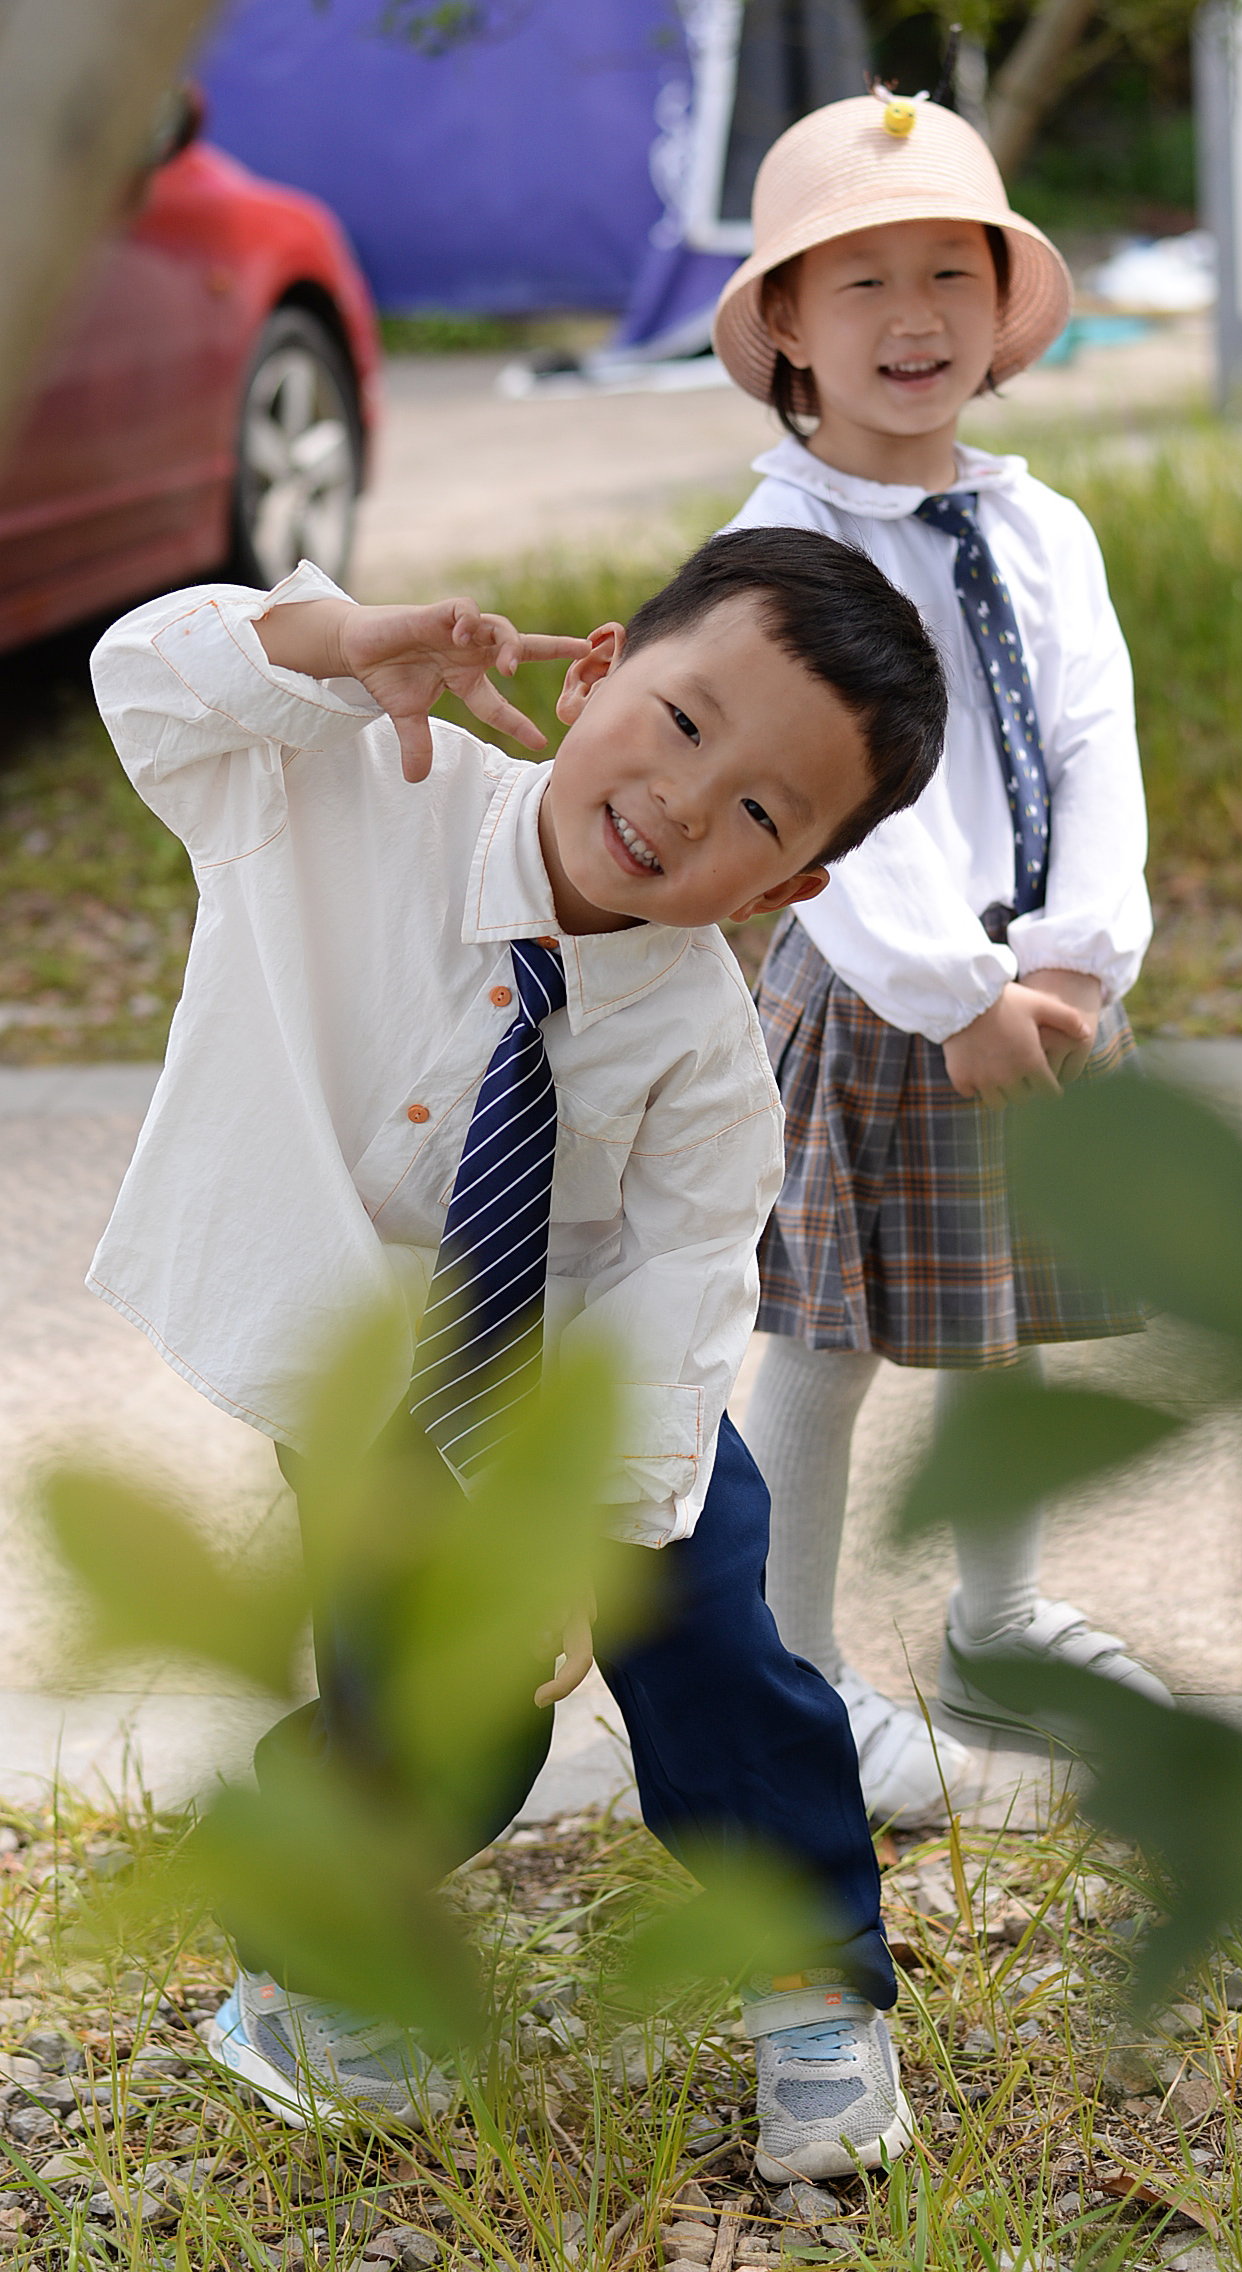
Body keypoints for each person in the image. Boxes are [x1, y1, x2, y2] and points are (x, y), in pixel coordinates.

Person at [87, 526, 947, 2180]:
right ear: (601, 665)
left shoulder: (702, 1047)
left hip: (591, 1393)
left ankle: (812, 1980)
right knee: (439, 1713)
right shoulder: (361, 785)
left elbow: (681, 1285)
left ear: (790, 889)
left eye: (762, 813)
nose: (688, 804)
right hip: (368, 1372)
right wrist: (330, 644)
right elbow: (148, 683)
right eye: (686, 723)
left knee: (718, 1641)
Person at [712, 91, 1173, 1829]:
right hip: (880, 984)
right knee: (824, 1337)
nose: (913, 319)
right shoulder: (790, 546)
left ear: (1000, 308)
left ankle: (999, 1624)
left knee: (1010, 1316)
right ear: (787, 334)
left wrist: (1078, 960)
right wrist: (950, 987)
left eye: (947, 275)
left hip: (1041, 988)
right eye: (861, 285)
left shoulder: (1044, 529)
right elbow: (817, 797)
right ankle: (797, 1680)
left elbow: (1097, 735)